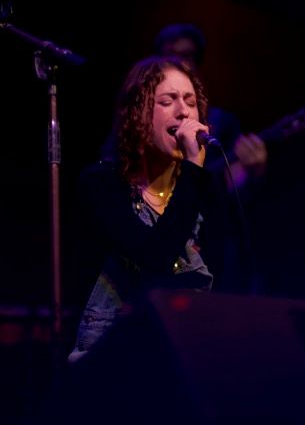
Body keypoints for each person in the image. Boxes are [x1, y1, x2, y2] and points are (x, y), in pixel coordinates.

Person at [67, 54, 227, 364]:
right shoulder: (102, 185)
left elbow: (223, 280)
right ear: (139, 113)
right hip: (112, 359)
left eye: (190, 101)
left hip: (185, 352)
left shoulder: (204, 191)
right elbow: (157, 255)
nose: (183, 111)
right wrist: (194, 168)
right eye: (168, 101)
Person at [153, 23, 269, 193]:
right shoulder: (143, 114)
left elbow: (232, 189)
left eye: (186, 55)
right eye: (170, 55)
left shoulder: (222, 121)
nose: (177, 62)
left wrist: (253, 174)